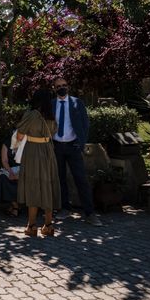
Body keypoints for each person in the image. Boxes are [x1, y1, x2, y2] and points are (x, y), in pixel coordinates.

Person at [52, 77, 102, 227]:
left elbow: (85, 124)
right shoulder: (51, 104)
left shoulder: (76, 103)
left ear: (68, 87)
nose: (62, 87)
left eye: (64, 85)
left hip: (73, 146)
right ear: (54, 88)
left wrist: (80, 143)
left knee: (81, 179)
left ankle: (90, 213)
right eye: (59, 86)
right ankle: (65, 208)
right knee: (60, 179)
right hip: (57, 146)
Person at [16, 89, 61, 236]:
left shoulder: (30, 114)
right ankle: (48, 225)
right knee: (48, 185)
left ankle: (32, 226)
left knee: (33, 185)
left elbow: (20, 135)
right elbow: (54, 132)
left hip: (33, 152)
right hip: (48, 151)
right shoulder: (51, 115)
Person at [0, 132, 20, 216]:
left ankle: (14, 207)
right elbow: (4, 161)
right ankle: (15, 205)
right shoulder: (6, 144)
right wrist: (11, 173)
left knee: (25, 179)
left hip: (23, 169)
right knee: (3, 178)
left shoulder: (25, 144)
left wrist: (19, 174)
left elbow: (28, 161)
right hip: (9, 168)